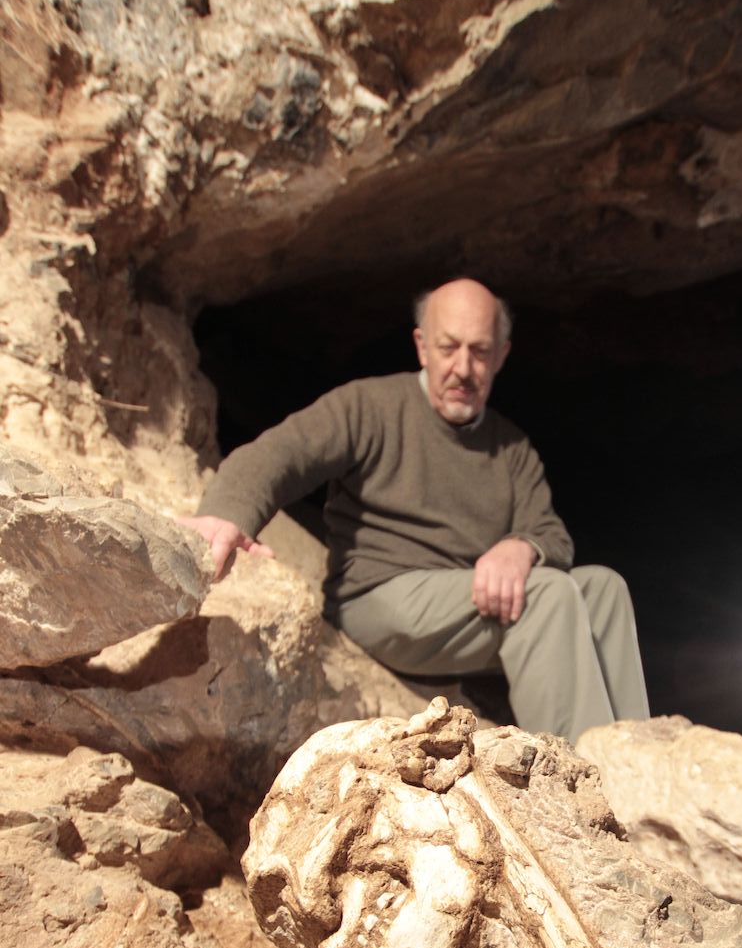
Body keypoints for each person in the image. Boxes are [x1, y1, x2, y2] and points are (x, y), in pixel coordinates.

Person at [183, 278, 648, 743]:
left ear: (501, 356)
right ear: (422, 346)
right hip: (379, 596)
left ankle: (638, 759)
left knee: (602, 588)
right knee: (547, 596)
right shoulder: (371, 406)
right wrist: (228, 512)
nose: (463, 368)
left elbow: (550, 532)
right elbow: (283, 454)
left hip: (463, 608)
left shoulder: (511, 447)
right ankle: (589, 782)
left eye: (480, 352)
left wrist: (520, 547)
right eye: (449, 348)